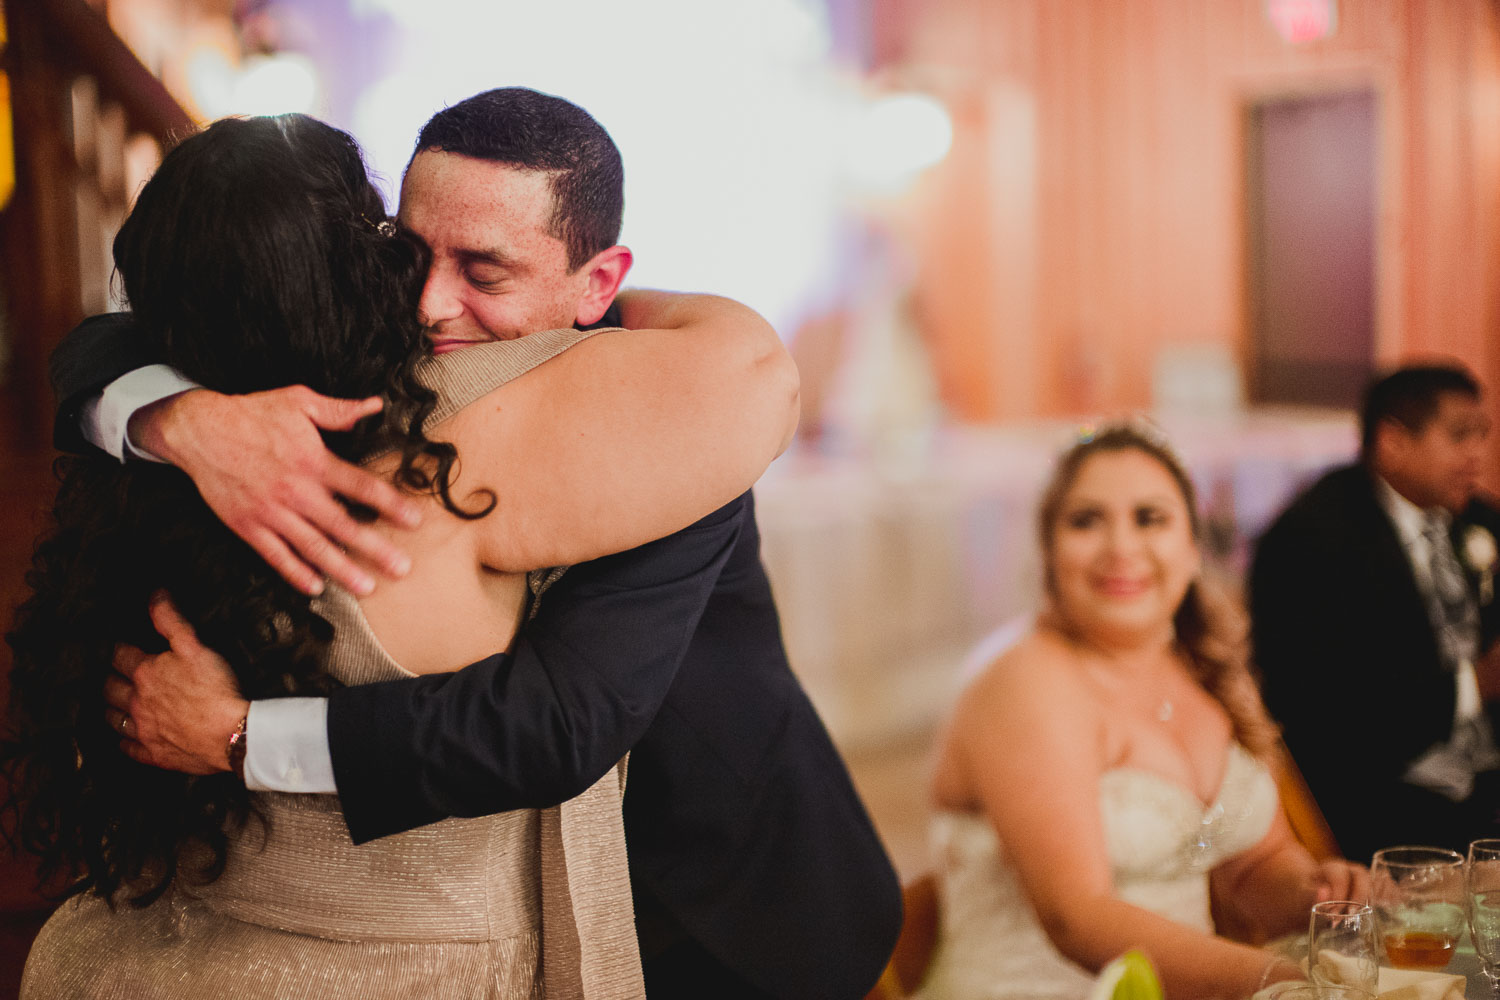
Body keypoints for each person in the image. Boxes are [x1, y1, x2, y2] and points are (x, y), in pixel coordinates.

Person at [48, 88, 902, 999]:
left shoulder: (664, 410)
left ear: (600, 286)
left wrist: (240, 734)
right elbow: (106, 341)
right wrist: (177, 418)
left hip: (723, 903)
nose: (426, 305)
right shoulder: (370, 349)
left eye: (484, 275)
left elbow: (556, 721)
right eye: (407, 255)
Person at [917, 424, 1367, 1000]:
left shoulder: (1205, 665)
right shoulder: (1025, 680)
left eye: (1150, 518)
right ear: (1049, 553)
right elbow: (1076, 917)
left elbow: (1253, 864)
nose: (1121, 547)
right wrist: (1283, 982)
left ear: (1191, 548)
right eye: (1086, 521)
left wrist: (1315, 895)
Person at [1251, 363, 1500, 864]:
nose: (1478, 454)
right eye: (1458, 436)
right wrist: (1475, 681)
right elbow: (1325, 713)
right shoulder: (1311, 540)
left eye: (1482, 435)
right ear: (1392, 441)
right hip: (1385, 807)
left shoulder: (1481, 521)